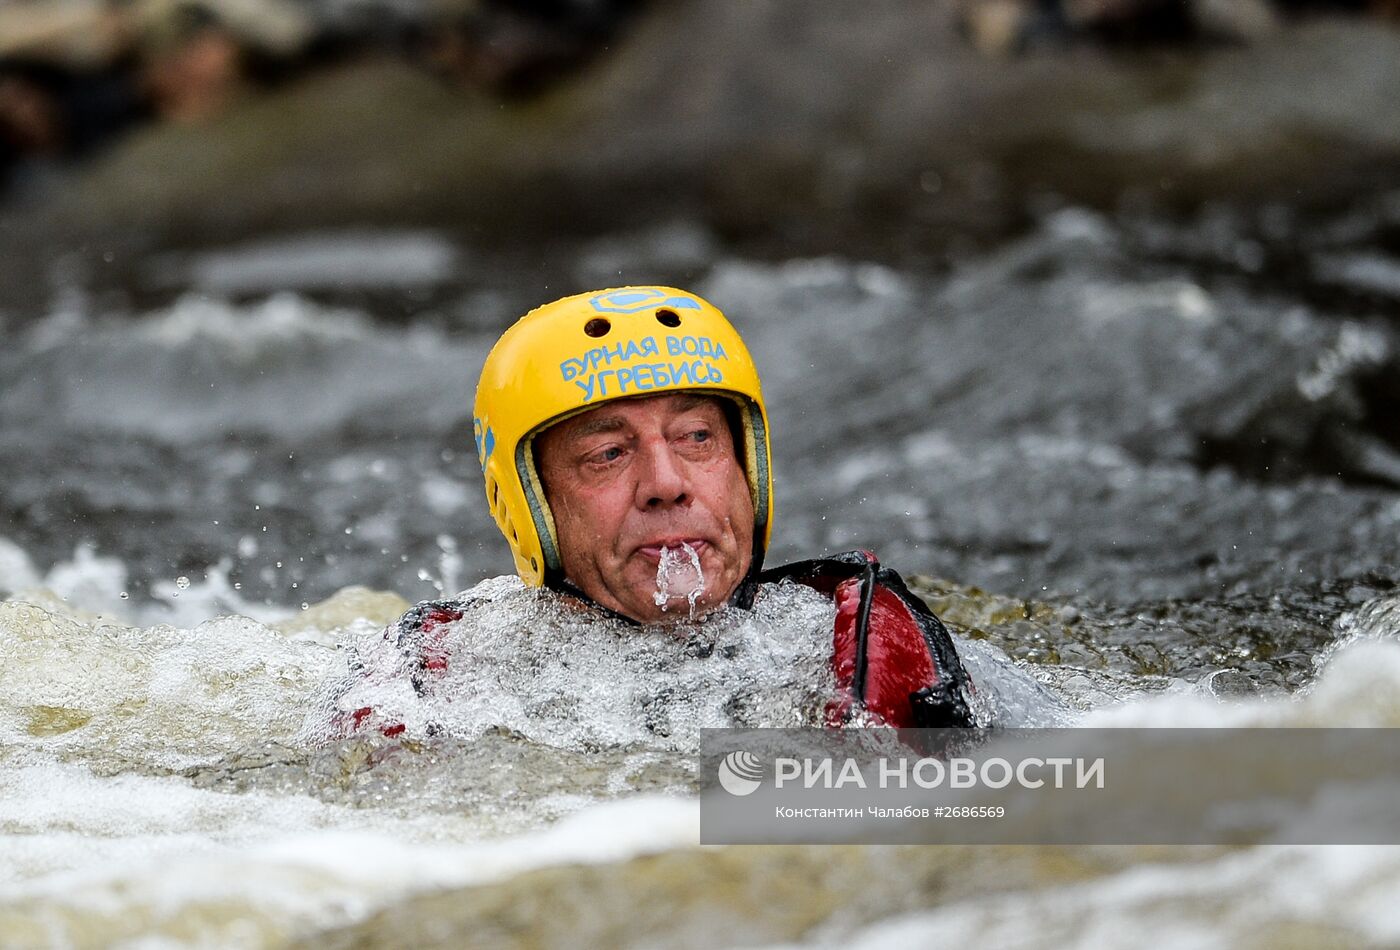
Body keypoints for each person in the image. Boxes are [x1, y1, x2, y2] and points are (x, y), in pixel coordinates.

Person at [341, 286, 974, 737]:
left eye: (697, 438)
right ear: (528, 504)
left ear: (747, 469)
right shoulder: (433, 680)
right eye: (609, 453)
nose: (666, 484)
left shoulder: (855, 642)